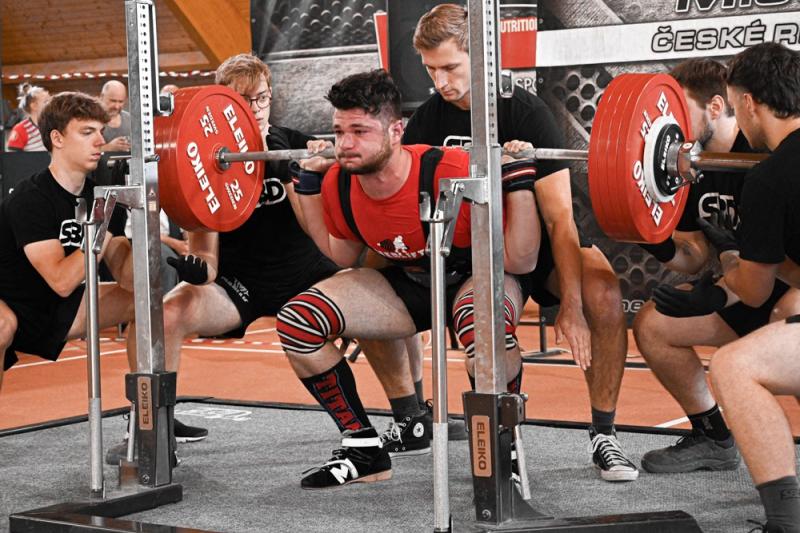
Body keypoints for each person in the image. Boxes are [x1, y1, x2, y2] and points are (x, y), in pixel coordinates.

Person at [402, 3, 637, 482]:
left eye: (450, 67)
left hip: (542, 245)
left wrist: (571, 306)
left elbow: (560, 219)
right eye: (431, 70)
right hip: (480, 250)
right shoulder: (425, 122)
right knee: (481, 320)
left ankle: (604, 434)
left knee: (604, 297)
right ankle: (500, 442)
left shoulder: (525, 112)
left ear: (479, 57)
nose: (441, 81)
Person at [281, 68, 540, 489]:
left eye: (360, 132)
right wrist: (308, 187)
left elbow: (520, 260)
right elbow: (340, 255)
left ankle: (501, 449)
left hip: (476, 273)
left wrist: (518, 178)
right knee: (298, 320)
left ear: (396, 130)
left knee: (482, 328)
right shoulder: (339, 183)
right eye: (339, 131)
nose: (345, 145)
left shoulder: (450, 170)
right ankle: (364, 449)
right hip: (413, 283)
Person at [106, 53, 341, 463]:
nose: (255, 109)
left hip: (307, 275)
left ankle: (410, 413)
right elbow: (207, 257)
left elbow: (318, 228)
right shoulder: (204, 160)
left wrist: (298, 169)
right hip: (241, 284)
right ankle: (152, 425)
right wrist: (198, 271)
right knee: (164, 315)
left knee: (383, 291)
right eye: (243, 101)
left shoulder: (297, 144)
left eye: (261, 98)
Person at [653, 43, 800, 532]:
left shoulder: (769, 176)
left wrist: (716, 291)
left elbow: (754, 290)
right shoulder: (764, 171)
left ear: (746, 103)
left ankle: (785, 521)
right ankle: (714, 441)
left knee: (735, 366)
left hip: (767, 298)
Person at [0, 91, 134, 392]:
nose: (100, 141)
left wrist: (143, 219)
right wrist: (102, 222)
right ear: (57, 138)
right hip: (9, 302)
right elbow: (61, 280)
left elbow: (127, 278)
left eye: (100, 131)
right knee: (1, 326)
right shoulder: (30, 198)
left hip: (53, 306)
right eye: (87, 133)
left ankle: (147, 407)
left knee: (144, 303)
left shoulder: (100, 197)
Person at [7, 84, 50, 152]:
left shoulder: (53, 124)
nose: (50, 104)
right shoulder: (21, 129)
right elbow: (13, 156)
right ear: (34, 106)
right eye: (46, 102)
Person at [99, 80, 131, 153]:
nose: (117, 106)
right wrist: (108, 147)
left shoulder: (131, 120)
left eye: (120, 102)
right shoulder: (90, 120)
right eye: (113, 101)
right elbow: (82, 152)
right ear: (102, 96)